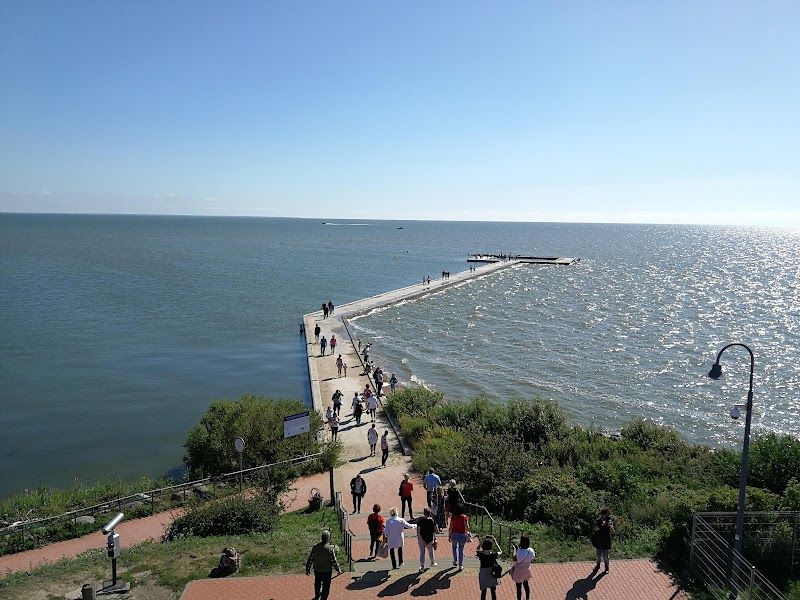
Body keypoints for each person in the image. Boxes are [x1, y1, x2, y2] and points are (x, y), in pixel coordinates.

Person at [305, 530, 341, 600]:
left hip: (317, 570)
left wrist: (308, 569)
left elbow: (311, 559)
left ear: (321, 538)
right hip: (327, 571)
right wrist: (338, 569)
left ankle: (317, 595)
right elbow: (334, 561)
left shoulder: (315, 547)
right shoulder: (330, 549)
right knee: (326, 586)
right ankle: (323, 598)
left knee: (317, 584)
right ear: (329, 538)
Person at [477, 536, 502, 600]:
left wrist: (482, 541)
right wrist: (496, 543)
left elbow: (477, 549)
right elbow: (500, 551)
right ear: (491, 546)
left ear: (483, 546)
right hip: (492, 573)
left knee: (483, 592)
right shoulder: (493, 554)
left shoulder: (481, 554)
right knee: (493, 591)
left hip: (483, 573)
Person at [511, 535, 535, 600]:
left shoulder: (519, 551)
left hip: (519, 571)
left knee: (519, 587)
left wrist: (514, 550)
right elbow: (532, 558)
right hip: (527, 570)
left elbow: (514, 559)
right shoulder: (531, 550)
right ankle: (527, 598)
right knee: (526, 585)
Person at [592, 507, 614, 574]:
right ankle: (597, 566)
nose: (606, 516)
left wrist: (610, 527)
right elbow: (595, 529)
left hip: (606, 539)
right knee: (598, 555)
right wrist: (601, 525)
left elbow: (613, 531)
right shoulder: (598, 520)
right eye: (605, 514)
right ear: (602, 514)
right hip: (599, 539)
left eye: (607, 515)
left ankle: (606, 567)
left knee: (605, 556)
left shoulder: (609, 521)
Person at [416, 507, 438, 571]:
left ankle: (422, 567)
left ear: (424, 513)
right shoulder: (432, 520)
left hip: (421, 539)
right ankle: (433, 562)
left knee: (422, 553)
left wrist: (420, 538)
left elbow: (418, 531)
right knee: (431, 552)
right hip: (430, 539)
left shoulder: (420, 521)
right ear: (430, 513)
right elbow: (436, 530)